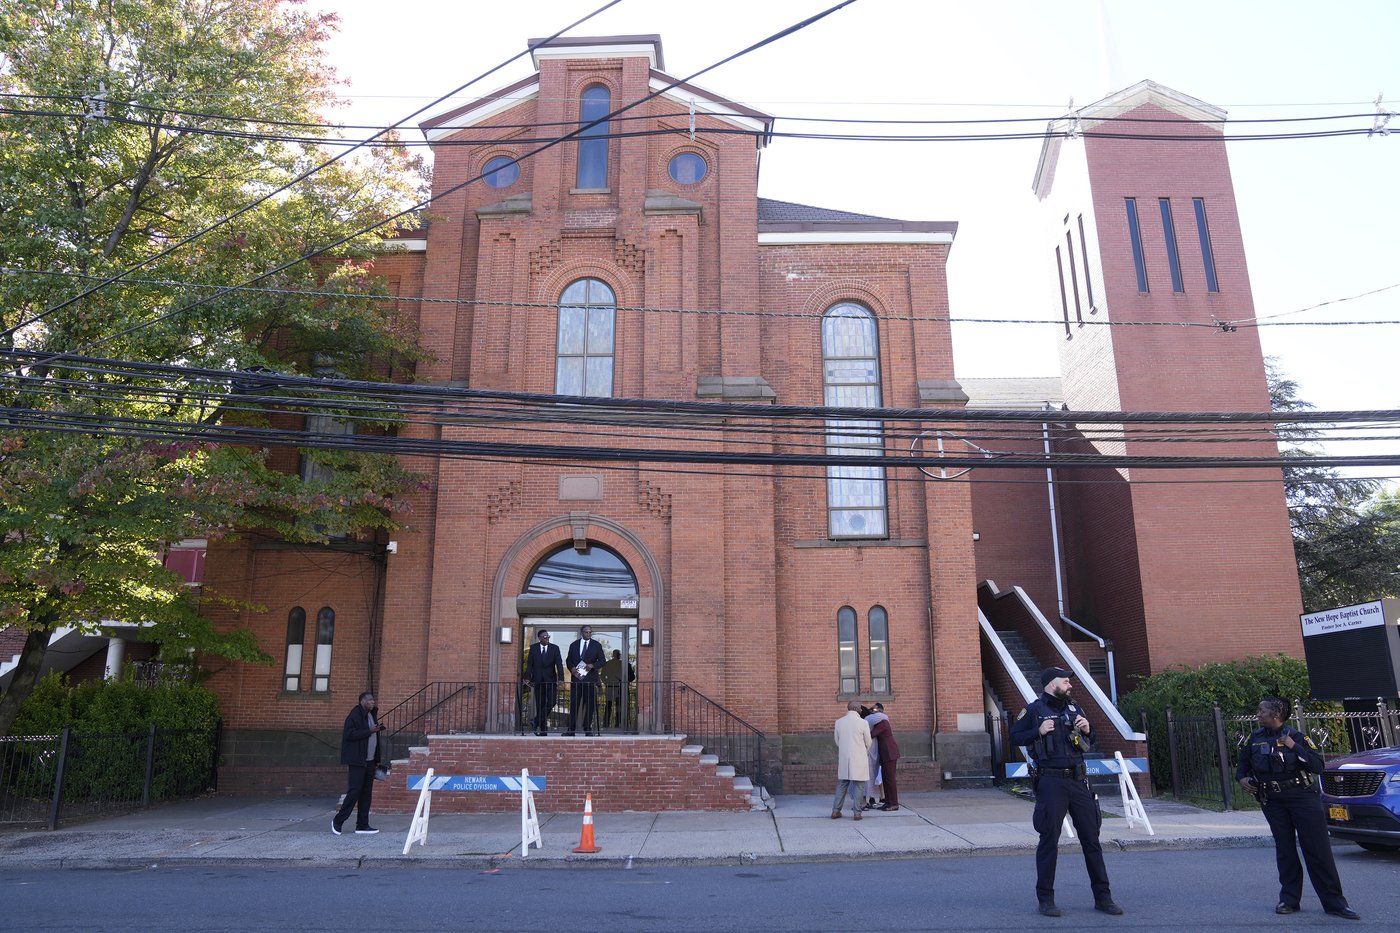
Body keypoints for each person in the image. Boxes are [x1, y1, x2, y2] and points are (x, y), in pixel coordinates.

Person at [1010, 667, 1122, 917]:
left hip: (1079, 781)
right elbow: (1014, 737)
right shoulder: (1034, 710)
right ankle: (1046, 900)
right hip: (1051, 782)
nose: (1069, 684)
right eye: (1065, 681)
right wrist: (1037, 732)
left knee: (1091, 840)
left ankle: (1103, 898)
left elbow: (1089, 740)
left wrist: (1087, 729)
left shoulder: (1074, 708)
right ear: (1051, 684)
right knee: (1049, 840)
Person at [1236, 697, 1360, 920]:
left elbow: (1318, 766)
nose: (1258, 714)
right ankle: (1289, 900)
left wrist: (1294, 747)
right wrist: (1243, 779)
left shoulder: (1297, 737)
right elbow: (1242, 766)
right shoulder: (1254, 739)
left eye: (1261, 710)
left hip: (1303, 798)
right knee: (1285, 851)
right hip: (1273, 801)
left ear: (1276, 714)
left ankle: (1335, 903)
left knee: (1317, 851)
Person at [332, 690, 384, 836]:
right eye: (369, 700)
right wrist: (369, 731)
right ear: (362, 702)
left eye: (373, 700)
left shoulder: (371, 715)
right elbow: (349, 734)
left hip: (370, 761)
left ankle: (362, 825)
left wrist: (377, 760)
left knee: (366, 793)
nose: (372, 702)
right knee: (354, 791)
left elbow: (374, 739)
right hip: (357, 761)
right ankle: (338, 820)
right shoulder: (354, 715)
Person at [831, 700, 872, 820]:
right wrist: (863, 751)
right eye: (860, 708)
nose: (861, 710)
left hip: (844, 758)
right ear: (857, 709)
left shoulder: (839, 722)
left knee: (842, 784)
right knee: (859, 785)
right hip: (859, 757)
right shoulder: (863, 722)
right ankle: (857, 813)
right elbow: (868, 742)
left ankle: (835, 811)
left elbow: (837, 741)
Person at [564, 624, 606, 736]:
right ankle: (571, 730)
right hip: (577, 680)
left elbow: (602, 661)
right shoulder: (574, 645)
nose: (589, 634)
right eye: (586, 632)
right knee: (574, 706)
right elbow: (568, 660)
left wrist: (593, 665)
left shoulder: (596, 645)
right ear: (582, 632)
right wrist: (571, 668)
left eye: (590, 632)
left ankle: (587, 728)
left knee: (590, 705)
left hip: (590, 680)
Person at [522, 629, 564, 735]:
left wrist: (561, 679)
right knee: (540, 705)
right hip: (538, 681)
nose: (547, 638)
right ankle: (543, 731)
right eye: (545, 637)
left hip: (550, 680)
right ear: (539, 638)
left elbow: (559, 664)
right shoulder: (534, 648)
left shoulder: (555, 648)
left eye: (548, 636)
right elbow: (530, 665)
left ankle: (535, 721)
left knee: (552, 702)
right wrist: (527, 677)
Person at [868, 701, 901, 811]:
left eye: (874, 710)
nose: (872, 712)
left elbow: (871, 735)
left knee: (890, 779)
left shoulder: (883, 723)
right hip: (886, 754)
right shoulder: (879, 722)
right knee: (885, 779)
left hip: (889, 753)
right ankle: (888, 801)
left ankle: (894, 803)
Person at [601, 648, 634, 729]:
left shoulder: (609, 664)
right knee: (617, 707)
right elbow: (632, 677)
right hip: (617, 688)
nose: (618, 655)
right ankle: (616, 725)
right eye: (618, 654)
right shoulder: (622, 664)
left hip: (615, 688)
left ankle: (608, 725)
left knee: (612, 707)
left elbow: (602, 676)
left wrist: (606, 682)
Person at [861, 704, 884, 809]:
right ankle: (872, 798)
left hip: (865, 752)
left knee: (864, 777)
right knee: (874, 776)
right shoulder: (873, 722)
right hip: (873, 751)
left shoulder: (865, 722)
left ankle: (865, 799)